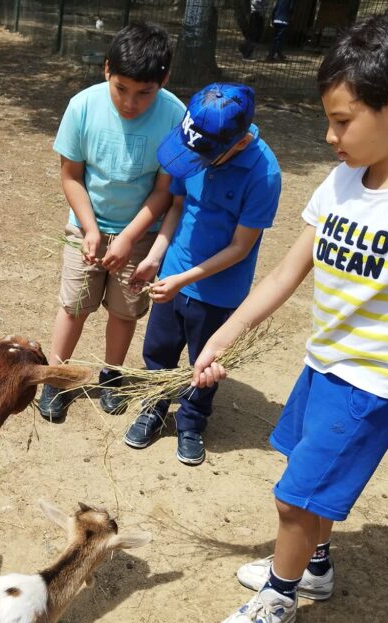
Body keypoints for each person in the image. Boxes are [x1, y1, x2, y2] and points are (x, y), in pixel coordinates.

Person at [193, 9, 388, 623]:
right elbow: (286, 272)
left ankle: (279, 595)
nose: (329, 136)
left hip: (377, 381)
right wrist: (224, 336)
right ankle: (314, 567)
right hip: (326, 360)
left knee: (294, 500)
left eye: (342, 120)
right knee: (305, 472)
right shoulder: (344, 178)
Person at [123, 83, 281, 466]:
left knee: (204, 363)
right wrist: (157, 257)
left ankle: (192, 421)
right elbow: (178, 206)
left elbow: (240, 247)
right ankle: (154, 406)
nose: (194, 158)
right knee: (158, 350)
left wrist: (184, 279)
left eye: (205, 155)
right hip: (173, 275)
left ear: (240, 143)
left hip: (218, 291)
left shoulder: (263, 174)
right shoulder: (193, 147)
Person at [36, 21, 186, 423]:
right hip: (85, 226)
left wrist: (129, 237)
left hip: (140, 232)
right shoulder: (82, 106)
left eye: (144, 93)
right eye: (121, 88)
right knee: (74, 305)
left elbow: (164, 191)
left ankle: (112, 375)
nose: (130, 102)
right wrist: (90, 228)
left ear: (164, 81)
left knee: (124, 310)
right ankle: (56, 377)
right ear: (107, 70)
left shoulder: (175, 116)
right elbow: (71, 176)